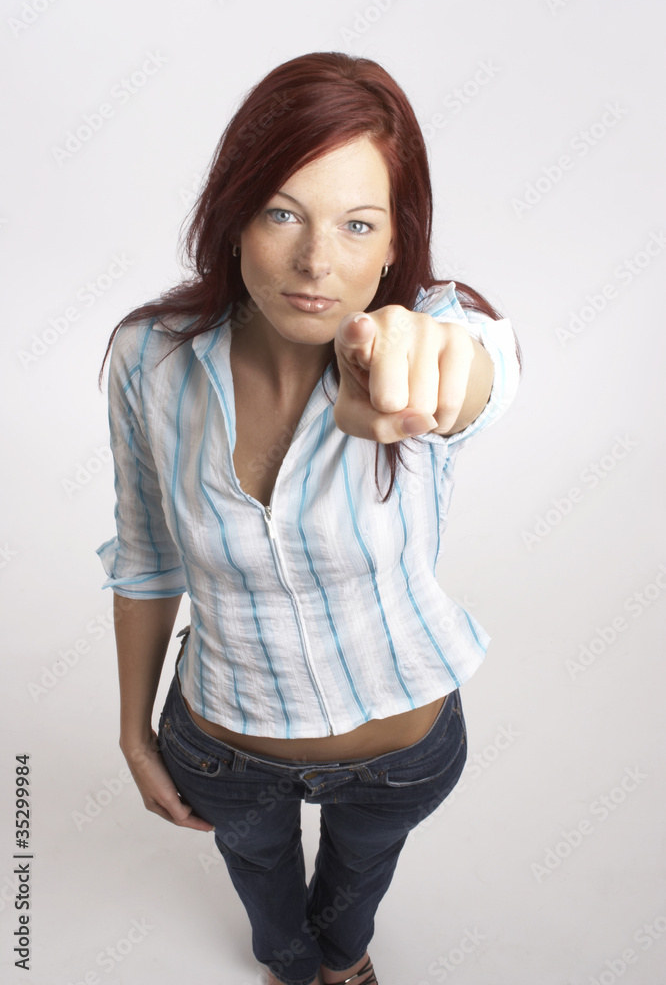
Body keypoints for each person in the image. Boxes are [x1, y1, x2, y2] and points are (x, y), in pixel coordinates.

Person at [96, 52, 522, 985]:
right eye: (282, 212)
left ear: (393, 242)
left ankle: (346, 960)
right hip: (223, 751)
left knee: (354, 899)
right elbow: (145, 556)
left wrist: (425, 368)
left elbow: (477, 371)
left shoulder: (429, 335)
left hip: (403, 756)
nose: (317, 262)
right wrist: (133, 733)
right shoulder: (149, 357)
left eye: (357, 224)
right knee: (272, 920)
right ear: (234, 216)